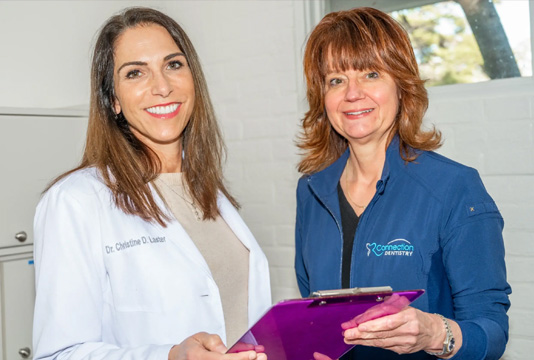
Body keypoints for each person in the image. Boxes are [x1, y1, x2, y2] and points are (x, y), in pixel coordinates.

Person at [33, 7, 270, 360]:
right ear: (112, 99)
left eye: (173, 65)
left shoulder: (211, 193)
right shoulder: (75, 202)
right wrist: (170, 356)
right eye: (135, 73)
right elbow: (58, 354)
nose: (162, 87)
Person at [294, 7, 510, 360]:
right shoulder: (311, 191)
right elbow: (313, 314)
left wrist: (433, 334)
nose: (352, 93)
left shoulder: (454, 187)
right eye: (336, 80)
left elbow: (492, 330)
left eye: (371, 74)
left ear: (401, 84)